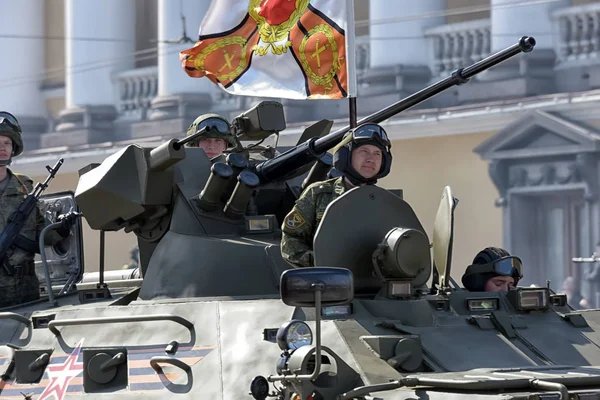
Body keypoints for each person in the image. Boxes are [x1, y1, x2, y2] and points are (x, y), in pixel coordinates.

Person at [280, 122, 393, 268]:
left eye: (377, 153)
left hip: (375, 284)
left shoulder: (386, 202)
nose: (371, 159)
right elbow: (291, 237)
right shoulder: (319, 194)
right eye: (364, 151)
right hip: (328, 284)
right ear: (346, 156)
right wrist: (320, 263)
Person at [0, 112, 76, 308]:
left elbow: (41, 235)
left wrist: (61, 229)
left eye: (7, 143)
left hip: (26, 290)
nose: (2, 148)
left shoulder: (24, 187)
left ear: (13, 148)